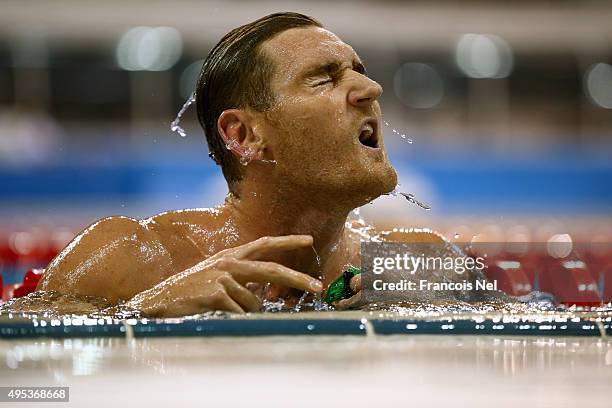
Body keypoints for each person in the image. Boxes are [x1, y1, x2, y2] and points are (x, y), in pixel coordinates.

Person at [34, 12, 463, 317]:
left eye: (360, 72)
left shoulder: (414, 261)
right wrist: (141, 311)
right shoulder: (130, 258)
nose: (371, 88)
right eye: (324, 79)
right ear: (244, 136)